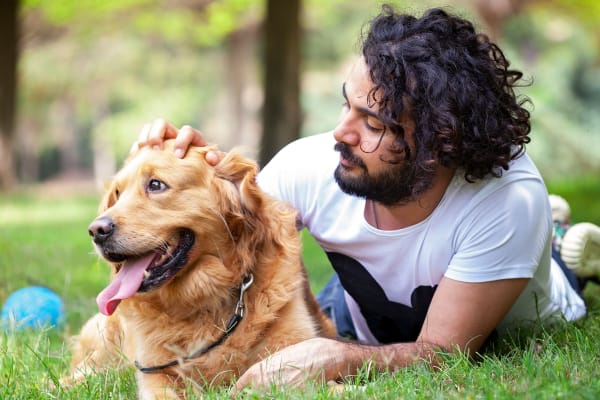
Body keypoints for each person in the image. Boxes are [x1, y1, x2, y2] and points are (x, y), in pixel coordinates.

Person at [134, 5, 596, 391]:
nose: (340, 132)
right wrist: (190, 173)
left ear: (442, 143)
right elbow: (234, 234)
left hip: (528, 300)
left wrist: (333, 356)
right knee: (341, 301)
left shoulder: (506, 201)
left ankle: (556, 246)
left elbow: (442, 355)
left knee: (541, 257)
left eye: (373, 123)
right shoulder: (313, 165)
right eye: (345, 104)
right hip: (362, 304)